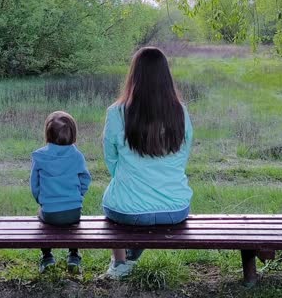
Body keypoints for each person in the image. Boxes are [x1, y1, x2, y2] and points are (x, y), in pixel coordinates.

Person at [101, 47, 194, 279]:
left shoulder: (116, 113)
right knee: (134, 202)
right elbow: (183, 157)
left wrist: (128, 178)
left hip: (127, 211)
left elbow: (111, 160)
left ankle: (120, 262)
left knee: (113, 199)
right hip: (175, 209)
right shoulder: (180, 112)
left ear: (134, 76)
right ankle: (126, 259)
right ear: (166, 76)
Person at [30, 111, 92, 273]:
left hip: (50, 212)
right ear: (73, 134)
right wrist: (78, 196)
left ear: (47, 134)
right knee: (73, 225)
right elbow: (85, 179)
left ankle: (47, 257)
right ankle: (73, 255)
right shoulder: (76, 156)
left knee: (40, 218)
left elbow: (34, 185)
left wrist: (41, 200)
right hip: (74, 212)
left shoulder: (40, 156)